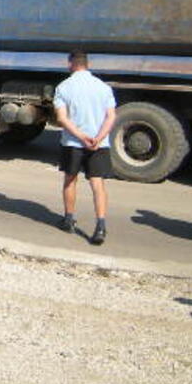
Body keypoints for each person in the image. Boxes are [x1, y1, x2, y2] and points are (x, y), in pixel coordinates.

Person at [53, 50, 117, 245]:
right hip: (99, 143)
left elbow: (61, 118)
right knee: (97, 184)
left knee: (70, 180)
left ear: (70, 64)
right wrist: (98, 137)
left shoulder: (63, 87)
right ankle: (100, 225)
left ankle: (69, 219)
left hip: (73, 143)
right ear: (87, 64)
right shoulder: (103, 87)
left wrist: (81, 136)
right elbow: (111, 116)